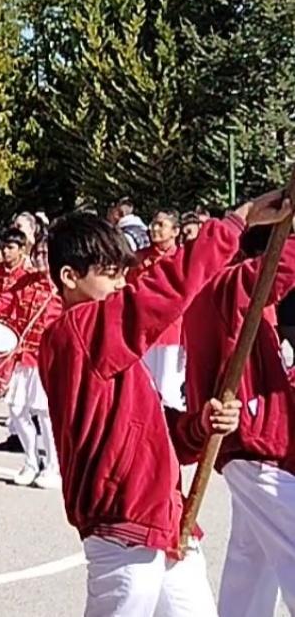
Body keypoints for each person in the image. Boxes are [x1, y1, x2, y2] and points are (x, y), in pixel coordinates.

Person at [37, 190, 288, 616]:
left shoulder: (106, 344)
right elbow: (159, 294)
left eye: (122, 275)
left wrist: (201, 425)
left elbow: (153, 432)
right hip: (122, 527)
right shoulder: (75, 332)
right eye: (110, 275)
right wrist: (233, 224)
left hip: (164, 522)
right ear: (68, 277)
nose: (120, 286)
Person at [173, 224, 295, 616]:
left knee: (251, 567)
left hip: (257, 445)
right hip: (254, 447)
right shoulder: (225, 287)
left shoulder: (230, 298)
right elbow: (282, 267)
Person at [0, 252, 62, 490]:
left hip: (46, 358)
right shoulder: (25, 282)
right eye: (37, 253)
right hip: (21, 356)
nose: (41, 259)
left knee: (45, 415)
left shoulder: (64, 286)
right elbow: (0, 303)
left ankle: (53, 466)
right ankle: (30, 462)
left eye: (47, 254)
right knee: (16, 410)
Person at [127, 209, 186, 411]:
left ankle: (177, 439)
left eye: (161, 225)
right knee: (146, 388)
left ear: (175, 231)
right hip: (144, 332)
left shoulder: (182, 258)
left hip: (172, 333)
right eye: (153, 223)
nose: (155, 228)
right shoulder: (139, 259)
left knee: (168, 390)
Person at [0, 229, 29, 302]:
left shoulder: (27, 274)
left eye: (10, 247)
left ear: (21, 250)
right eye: (3, 247)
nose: (5, 251)